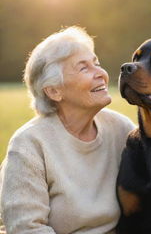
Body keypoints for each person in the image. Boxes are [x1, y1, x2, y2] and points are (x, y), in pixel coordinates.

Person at [0, 27, 135, 234]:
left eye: (96, 63)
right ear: (54, 91)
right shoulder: (29, 145)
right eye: (84, 68)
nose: (101, 74)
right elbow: (27, 229)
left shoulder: (121, 129)